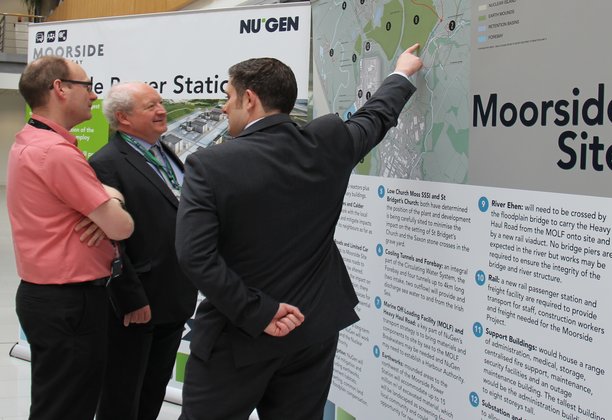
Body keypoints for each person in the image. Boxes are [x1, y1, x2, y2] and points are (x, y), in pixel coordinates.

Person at [175, 44, 424, 420]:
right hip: (312, 333)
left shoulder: (210, 165)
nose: (223, 108)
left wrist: (260, 312)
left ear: (251, 99)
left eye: (228, 96)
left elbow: (195, 256)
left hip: (237, 338)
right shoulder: (327, 144)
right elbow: (375, 117)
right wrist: (402, 73)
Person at [6, 56, 134, 420]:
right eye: (87, 86)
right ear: (60, 89)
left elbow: (107, 204)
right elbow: (122, 228)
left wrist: (109, 198)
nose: (94, 96)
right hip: (70, 303)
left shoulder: (33, 140)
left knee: (56, 402)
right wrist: (111, 201)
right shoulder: (56, 153)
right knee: (68, 407)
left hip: (48, 298)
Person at [88, 82, 198, 420]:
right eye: (150, 106)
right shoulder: (106, 163)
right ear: (123, 117)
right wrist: (130, 297)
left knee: (153, 391)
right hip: (137, 304)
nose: (161, 110)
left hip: (174, 295)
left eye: (160, 103)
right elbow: (108, 240)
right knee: (122, 397)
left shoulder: (165, 151)